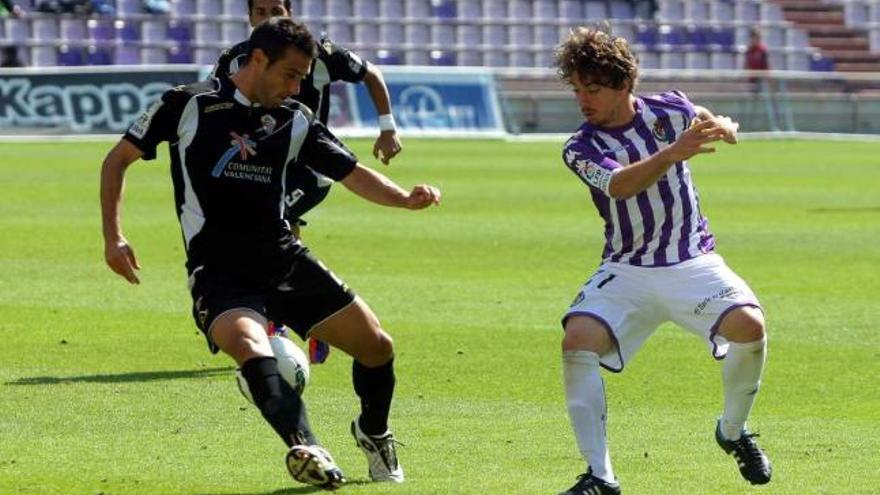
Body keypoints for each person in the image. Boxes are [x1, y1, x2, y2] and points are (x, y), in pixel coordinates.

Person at [101, 18, 440, 490]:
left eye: (303, 76)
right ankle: (307, 445)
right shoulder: (188, 103)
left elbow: (351, 171)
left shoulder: (295, 118)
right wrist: (113, 236)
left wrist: (403, 198)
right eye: (291, 74)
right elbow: (117, 159)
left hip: (284, 258)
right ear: (258, 60)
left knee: (377, 348)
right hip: (218, 270)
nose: (298, 85)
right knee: (251, 348)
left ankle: (374, 432)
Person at [554, 27, 772, 494]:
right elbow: (619, 186)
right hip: (626, 267)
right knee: (578, 340)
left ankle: (733, 432)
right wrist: (674, 152)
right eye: (576, 89)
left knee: (750, 327)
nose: (582, 100)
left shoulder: (668, 108)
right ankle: (600, 477)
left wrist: (725, 125)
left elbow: (704, 118)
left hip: (691, 260)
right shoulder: (580, 147)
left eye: (592, 89)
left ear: (623, 83)